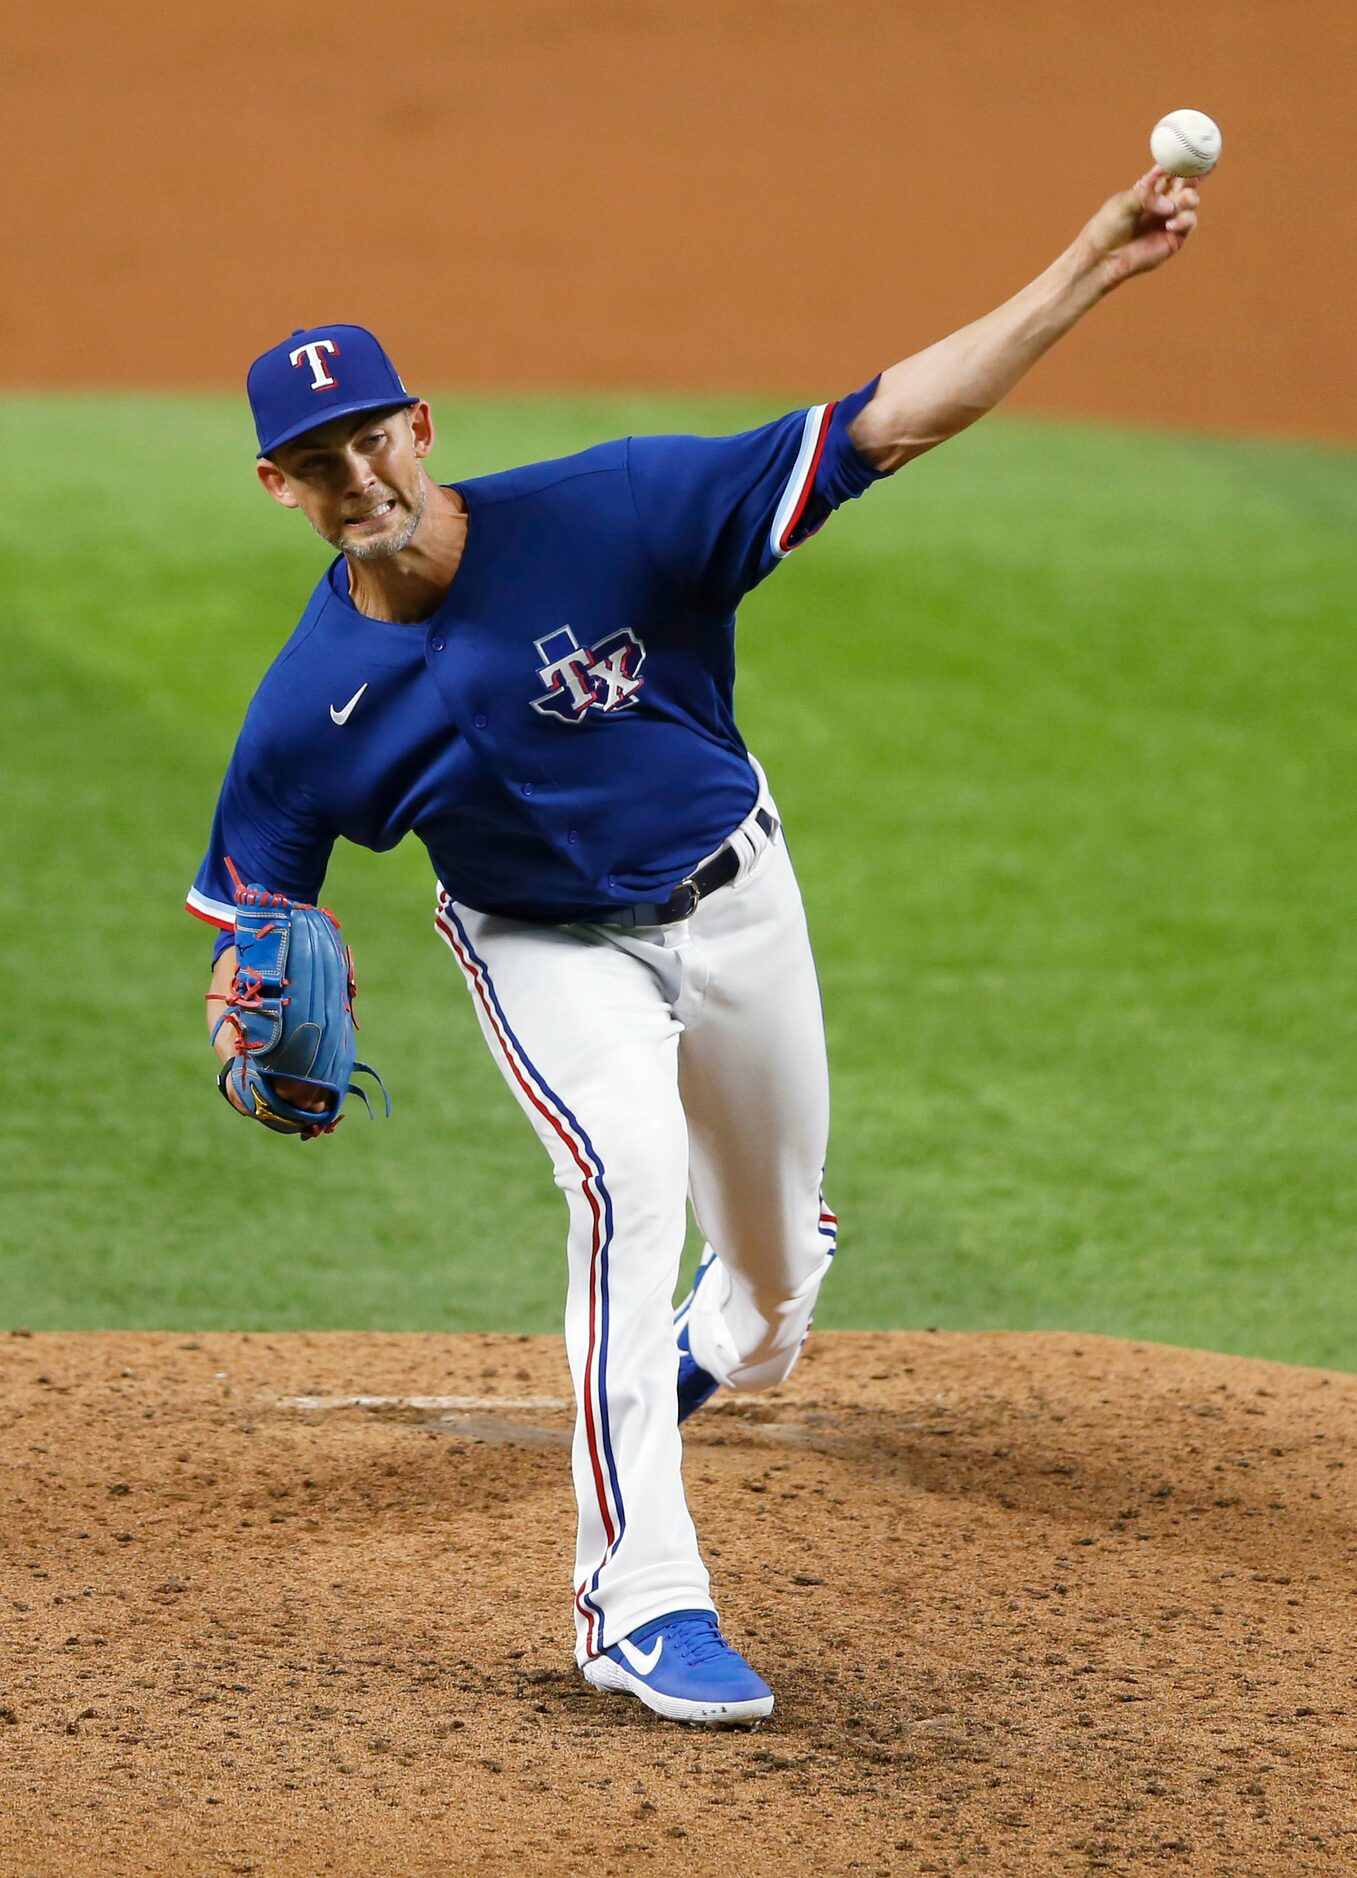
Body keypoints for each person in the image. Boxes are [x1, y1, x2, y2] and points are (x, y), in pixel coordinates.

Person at [189, 168, 1201, 1725]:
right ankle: (634, 1599)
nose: (357, 475)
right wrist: (243, 1000)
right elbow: (262, 905)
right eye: (318, 462)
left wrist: (1081, 266)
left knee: (775, 1285)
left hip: (737, 894)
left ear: (421, 427)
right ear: (280, 487)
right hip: (542, 946)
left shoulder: (618, 512)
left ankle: (735, 1321)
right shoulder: (302, 710)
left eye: (372, 436)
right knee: (621, 1183)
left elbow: (884, 422)